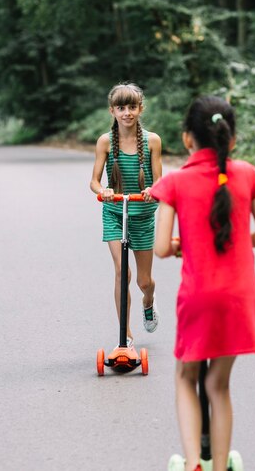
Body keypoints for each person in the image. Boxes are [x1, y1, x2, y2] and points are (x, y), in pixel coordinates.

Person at [150, 95, 255, 471]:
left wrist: (185, 245)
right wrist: (235, 239)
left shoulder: (176, 182)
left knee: (187, 377)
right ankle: (220, 466)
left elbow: (160, 248)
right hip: (240, 297)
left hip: (199, 296)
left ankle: (193, 463)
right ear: (231, 139)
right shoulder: (247, 174)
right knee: (218, 386)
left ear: (187, 138)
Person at [90, 82, 162, 348]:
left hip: (142, 214)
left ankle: (149, 303)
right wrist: (105, 190)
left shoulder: (152, 141)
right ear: (112, 111)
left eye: (132, 107)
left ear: (140, 109)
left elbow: (159, 181)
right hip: (115, 213)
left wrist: (151, 191)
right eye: (121, 108)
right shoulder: (105, 142)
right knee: (122, 273)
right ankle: (126, 337)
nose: (127, 113)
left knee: (144, 281)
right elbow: (94, 182)